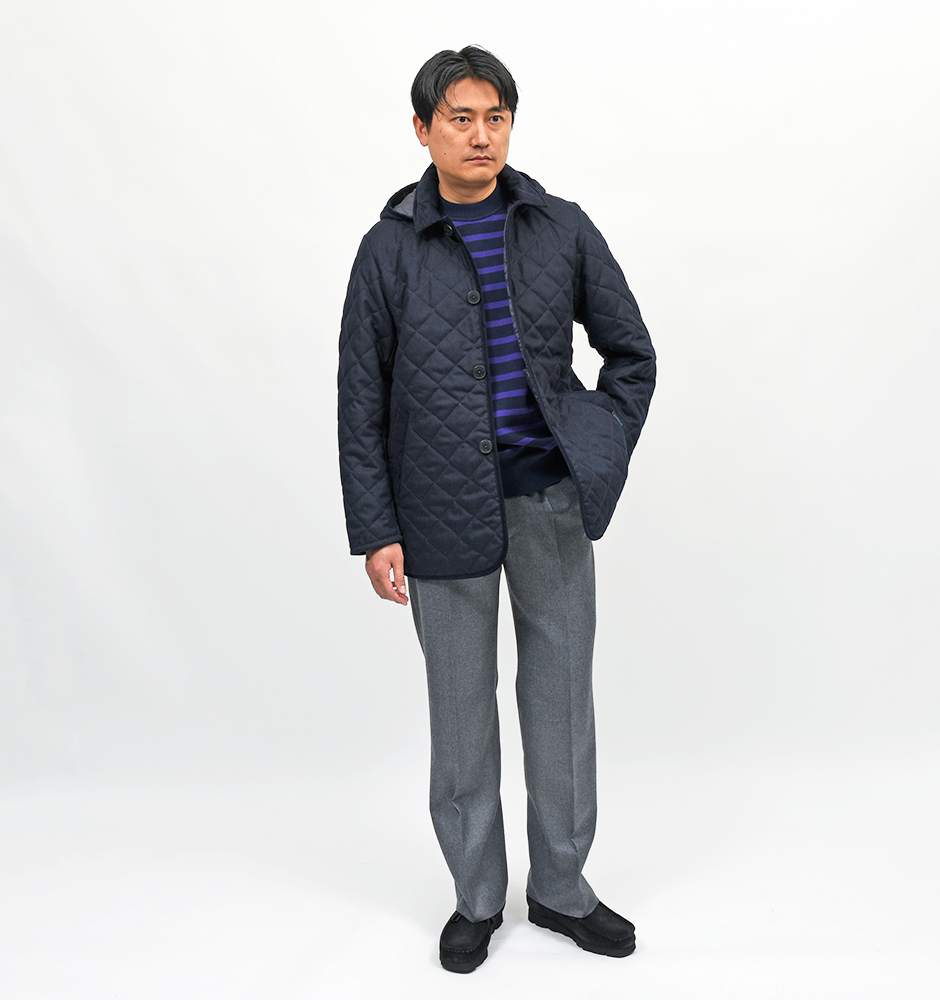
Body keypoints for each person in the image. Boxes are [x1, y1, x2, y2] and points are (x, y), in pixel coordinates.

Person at [338, 45, 656, 973]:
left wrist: (596, 443)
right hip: (438, 513)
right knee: (460, 714)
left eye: (496, 117)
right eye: (461, 118)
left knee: (560, 702)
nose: (481, 135)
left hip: (549, 503)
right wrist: (376, 528)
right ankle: (477, 898)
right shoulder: (388, 249)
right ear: (422, 129)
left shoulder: (560, 226)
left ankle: (561, 889)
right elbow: (361, 399)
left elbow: (630, 352)